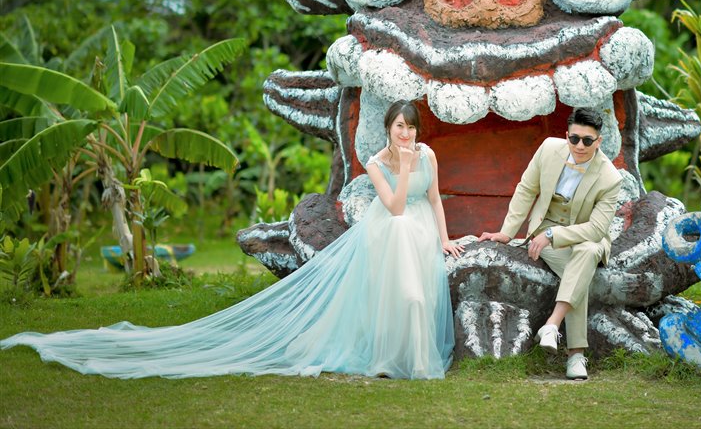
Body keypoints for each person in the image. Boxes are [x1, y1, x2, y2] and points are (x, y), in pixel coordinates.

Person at [1, 100, 463, 380]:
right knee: (401, 297)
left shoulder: (430, 154)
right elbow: (397, 206)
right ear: (387, 128)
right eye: (400, 127)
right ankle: (389, 360)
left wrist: (443, 238)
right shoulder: (380, 161)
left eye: (412, 128)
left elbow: (435, 199)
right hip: (393, 228)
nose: (407, 134)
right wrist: (402, 167)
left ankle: (416, 361)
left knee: (419, 298)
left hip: (420, 230)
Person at [480, 107, 620, 380]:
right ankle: (576, 356)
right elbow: (527, 189)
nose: (580, 146)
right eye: (574, 138)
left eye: (588, 141)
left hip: (586, 237)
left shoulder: (610, 178)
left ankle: (553, 326)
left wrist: (555, 235)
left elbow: (596, 228)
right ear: (566, 135)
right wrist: (507, 232)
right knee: (578, 271)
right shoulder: (548, 149)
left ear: (599, 141)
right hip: (544, 231)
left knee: (588, 251)